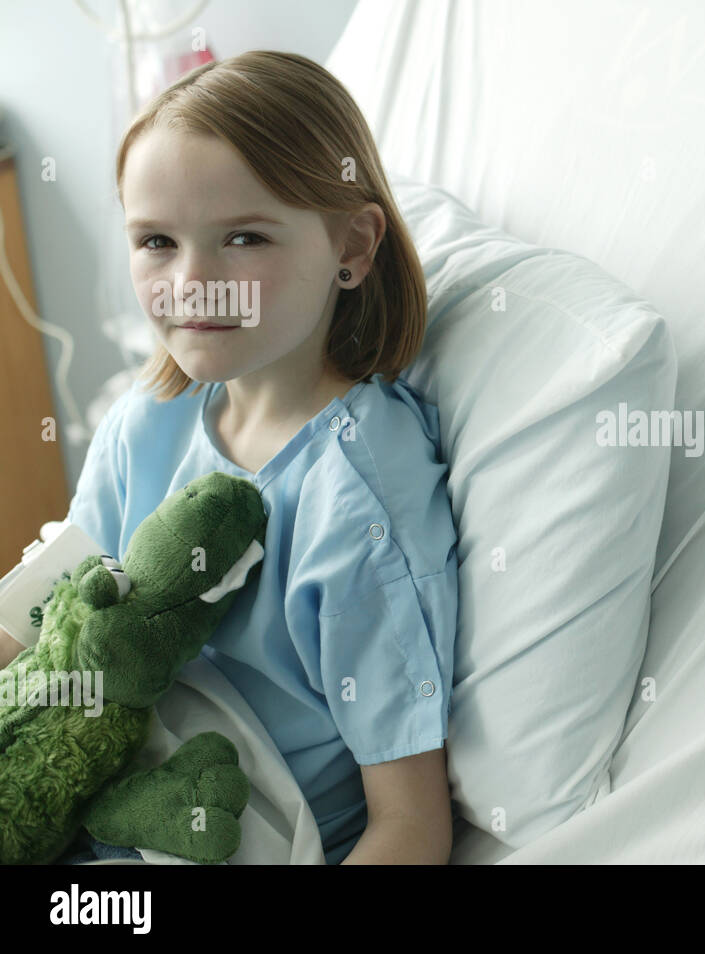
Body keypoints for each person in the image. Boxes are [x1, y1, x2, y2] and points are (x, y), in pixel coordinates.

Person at [0, 51, 458, 865]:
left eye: (243, 237)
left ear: (353, 244)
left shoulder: (355, 501)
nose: (194, 283)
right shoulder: (149, 419)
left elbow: (411, 825)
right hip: (89, 799)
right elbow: (44, 624)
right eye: (156, 242)